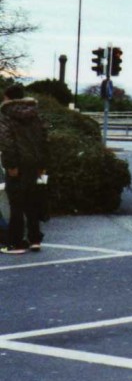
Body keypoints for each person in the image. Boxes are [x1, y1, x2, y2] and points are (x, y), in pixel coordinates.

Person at [0, 84, 49, 254]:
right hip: (34, 164)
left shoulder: (6, 115)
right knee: (32, 202)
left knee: (16, 204)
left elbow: (7, 143)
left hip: (18, 165)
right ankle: (35, 239)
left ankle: (16, 243)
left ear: (8, 97)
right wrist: (42, 164)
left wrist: (11, 165)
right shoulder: (35, 114)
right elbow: (44, 139)